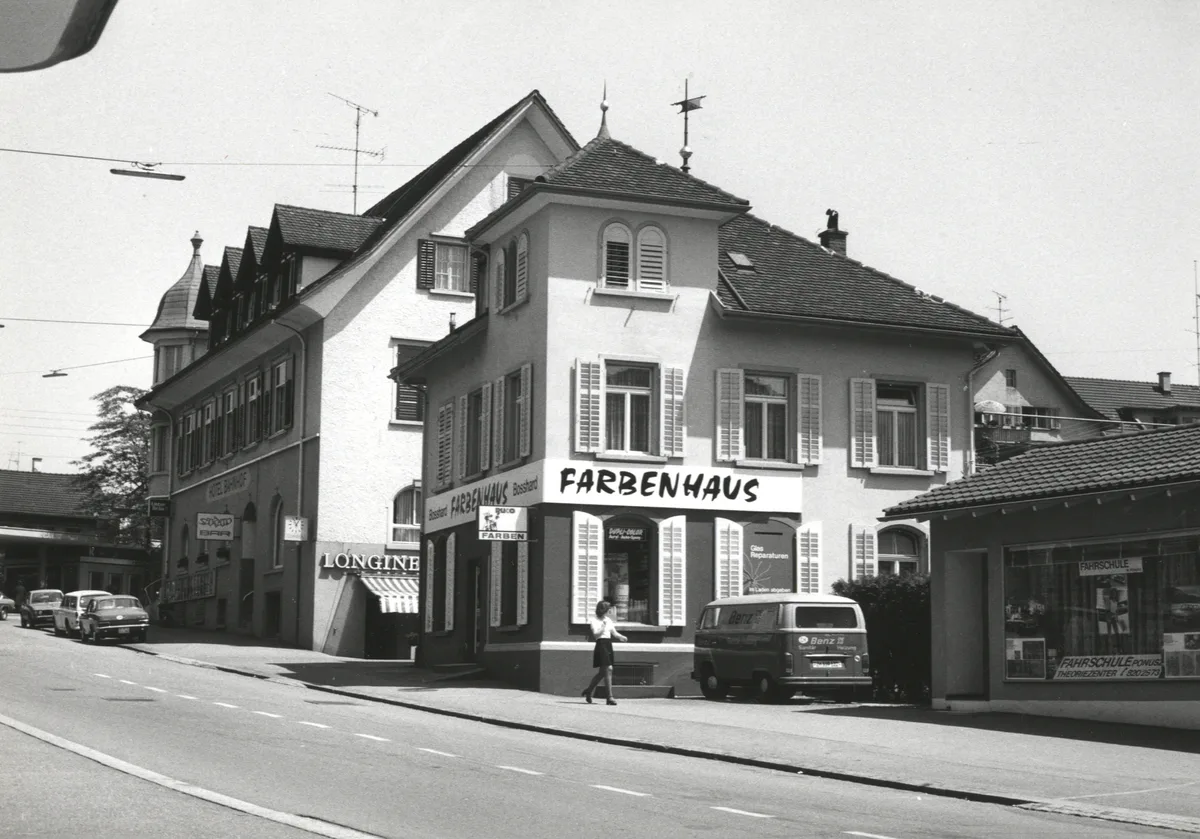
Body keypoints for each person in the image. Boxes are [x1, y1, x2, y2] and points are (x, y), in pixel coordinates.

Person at [582, 600, 627, 706]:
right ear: (602, 610)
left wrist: (620, 636)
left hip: (608, 644)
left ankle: (589, 690)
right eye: (607, 610)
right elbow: (596, 634)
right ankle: (609, 697)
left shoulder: (608, 620)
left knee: (603, 672)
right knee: (609, 668)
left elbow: (613, 632)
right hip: (601, 644)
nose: (608, 612)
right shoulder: (594, 620)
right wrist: (602, 627)